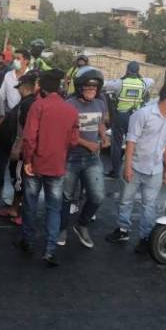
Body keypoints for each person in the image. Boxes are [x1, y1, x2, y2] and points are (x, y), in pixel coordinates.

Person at [106, 84, 166, 253]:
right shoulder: (143, 114)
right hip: (135, 165)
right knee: (126, 200)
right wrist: (127, 168)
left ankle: (145, 237)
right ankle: (123, 230)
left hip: (155, 169)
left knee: (149, 205)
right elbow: (131, 141)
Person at [16, 68, 79, 267]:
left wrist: (27, 161)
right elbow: (74, 141)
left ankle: (27, 241)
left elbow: (28, 138)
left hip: (35, 165)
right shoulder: (71, 110)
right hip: (57, 166)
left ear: (42, 88)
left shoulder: (38, 106)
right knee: (54, 208)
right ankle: (50, 250)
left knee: (30, 204)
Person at [58, 67, 109, 249]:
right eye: (88, 88)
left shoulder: (100, 103)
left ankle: (82, 224)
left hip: (92, 159)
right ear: (79, 87)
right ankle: (62, 228)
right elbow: (64, 133)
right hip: (71, 158)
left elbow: (101, 122)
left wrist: (103, 136)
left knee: (97, 196)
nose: (91, 92)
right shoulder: (69, 104)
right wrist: (87, 144)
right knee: (65, 197)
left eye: (94, 89)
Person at [0, 71, 38, 222]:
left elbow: (25, 130)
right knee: (17, 179)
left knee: (21, 181)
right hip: (15, 148)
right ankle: (14, 209)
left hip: (20, 152)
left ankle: (20, 212)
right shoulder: (25, 102)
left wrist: (18, 149)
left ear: (23, 87)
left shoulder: (28, 104)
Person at [104, 61, 154, 178]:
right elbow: (152, 80)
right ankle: (132, 169)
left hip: (121, 117)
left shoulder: (120, 83)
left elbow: (105, 85)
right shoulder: (144, 83)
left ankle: (116, 171)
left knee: (116, 144)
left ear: (127, 70)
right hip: (136, 117)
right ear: (138, 71)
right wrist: (139, 77)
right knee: (132, 144)